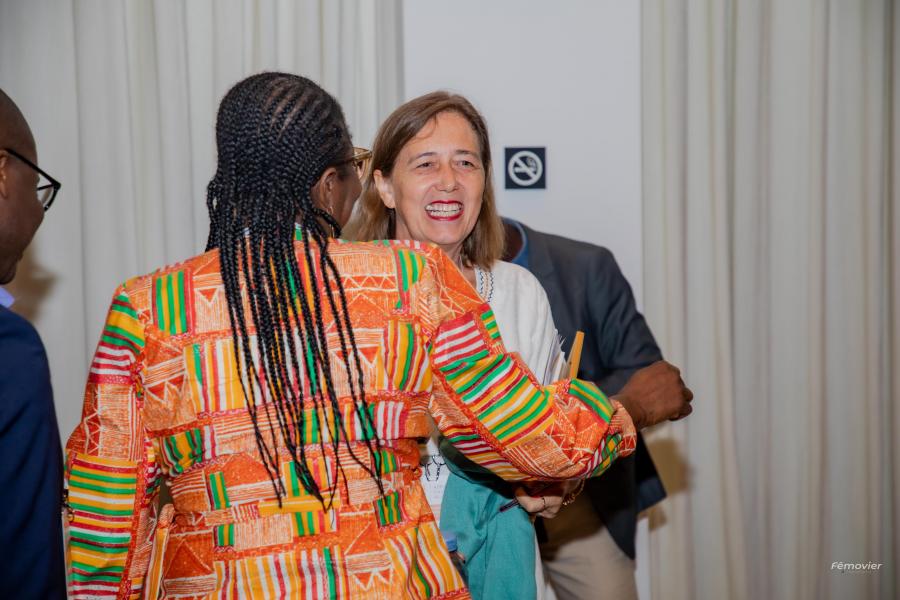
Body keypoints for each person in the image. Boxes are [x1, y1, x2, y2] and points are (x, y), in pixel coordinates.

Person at [64, 73, 690, 599]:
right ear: (330, 182)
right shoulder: (411, 281)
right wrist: (630, 408)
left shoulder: (146, 306)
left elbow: (104, 512)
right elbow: (526, 436)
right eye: (353, 167)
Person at [343, 91, 693, 600]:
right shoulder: (348, 294)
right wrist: (633, 406)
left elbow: (549, 436)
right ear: (384, 186)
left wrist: (555, 486)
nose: (449, 180)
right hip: (385, 560)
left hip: (499, 559)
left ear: (484, 182)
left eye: (466, 162)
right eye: (426, 163)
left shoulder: (519, 291)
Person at [503, 218, 665, 600]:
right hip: (487, 501)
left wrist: (563, 412)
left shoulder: (585, 265)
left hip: (581, 501)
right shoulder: (431, 276)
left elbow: (643, 369)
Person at [0, 88, 66, 598]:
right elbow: (26, 569)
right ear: (3, 172)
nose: (40, 211)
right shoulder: (10, 350)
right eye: (36, 184)